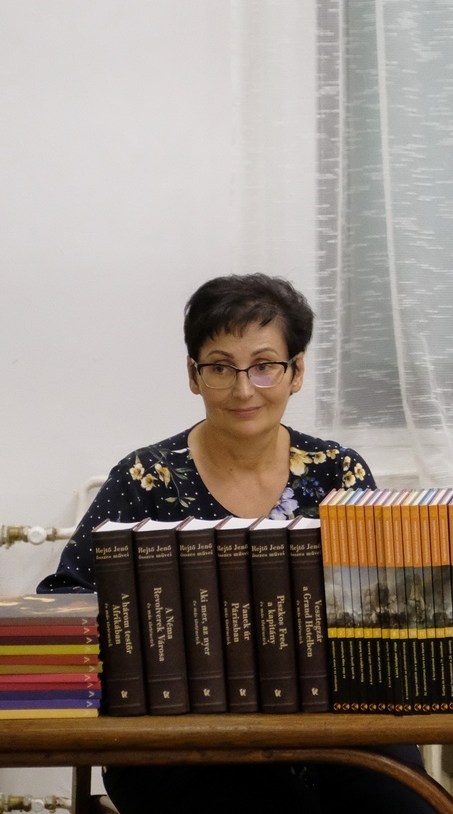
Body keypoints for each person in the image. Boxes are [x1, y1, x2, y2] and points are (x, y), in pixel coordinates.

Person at [41, 274, 433, 814]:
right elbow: (65, 600)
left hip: (333, 720)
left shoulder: (338, 472)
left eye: (265, 365)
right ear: (194, 376)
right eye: (221, 368)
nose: (244, 389)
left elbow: (383, 602)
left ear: (296, 372)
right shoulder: (145, 478)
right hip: (180, 734)